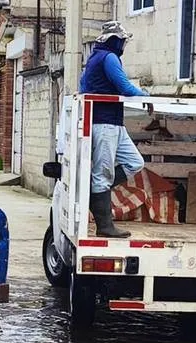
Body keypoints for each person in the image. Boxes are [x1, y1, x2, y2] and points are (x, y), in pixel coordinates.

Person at [79, 21, 149, 239]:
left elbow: (84, 85)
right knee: (103, 174)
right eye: (122, 40)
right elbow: (125, 88)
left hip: (114, 122)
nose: (124, 45)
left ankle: (96, 191)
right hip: (104, 123)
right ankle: (104, 225)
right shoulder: (109, 58)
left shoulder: (95, 57)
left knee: (135, 162)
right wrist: (147, 95)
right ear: (115, 40)